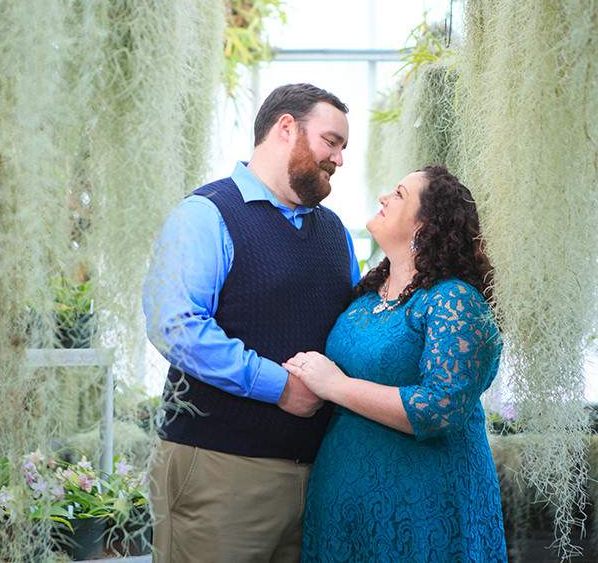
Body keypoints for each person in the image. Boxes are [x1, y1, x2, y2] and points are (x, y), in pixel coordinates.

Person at [142, 83, 361, 563]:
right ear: (286, 128)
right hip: (222, 472)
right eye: (332, 141)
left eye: (343, 147)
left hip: (319, 477)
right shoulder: (205, 214)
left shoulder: (336, 232)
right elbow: (174, 324)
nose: (339, 160)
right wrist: (278, 385)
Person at [284, 165, 507, 562]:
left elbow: (440, 409)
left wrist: (334, 386)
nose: (385, 197)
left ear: (427, 227)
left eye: (400, 194)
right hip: (343, 507)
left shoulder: (453, 300)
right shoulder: (365, 298)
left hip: (423, 507)